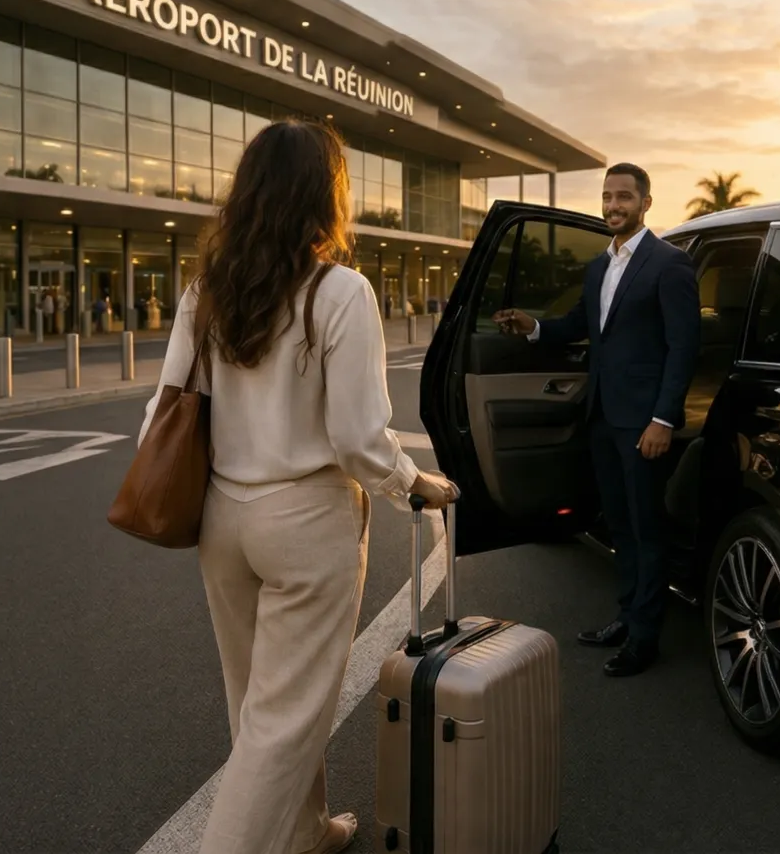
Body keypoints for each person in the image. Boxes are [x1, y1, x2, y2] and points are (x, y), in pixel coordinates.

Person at [139, 119, 458, 854]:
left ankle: (305, 831)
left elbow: (161, 413)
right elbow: (355, 437)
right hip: (306, 520)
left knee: (257, 702)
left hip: (222, 518)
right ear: (326, 195)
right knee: (284, 718)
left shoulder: (205, 292)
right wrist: (411, 483)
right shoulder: (339, 292)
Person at [493, 163, 699, 677]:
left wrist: (662, 420)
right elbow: (581, 325)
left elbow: (683, 349)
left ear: (646, 203)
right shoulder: (598, 267)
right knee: (620, 527)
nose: (613, 206)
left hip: (644, 424)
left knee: (648, 530)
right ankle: (627, 617)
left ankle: (646, 637)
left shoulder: (669, 264)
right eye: (607, 196)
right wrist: (535, 327)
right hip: (603, 418)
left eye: (624, 197)